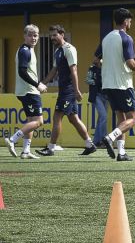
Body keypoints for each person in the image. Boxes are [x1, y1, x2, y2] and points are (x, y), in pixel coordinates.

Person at [35, 25, 96, 156]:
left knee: (57, 116)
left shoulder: (69, 49)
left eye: (54, 35)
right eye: (51, 35)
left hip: (68, 90)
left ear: (62, 34)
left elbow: (74, 71)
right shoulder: (58, 51)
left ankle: (51, 148)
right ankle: (90, 145)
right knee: (73, 119)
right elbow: (54, 71)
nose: (52, 38)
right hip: (64, 90)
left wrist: (76, 90)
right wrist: (41, 83)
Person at [95, 8, 135, 161]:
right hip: (122, 84)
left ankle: (121, 153)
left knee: (121, 118)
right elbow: (130, 62)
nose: (130, 23)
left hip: (108, 84)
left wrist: (109, 65)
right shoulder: (126, 38)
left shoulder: (106, 38)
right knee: (132, 119)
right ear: (126, 21)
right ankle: (110, 137)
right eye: (130, 21)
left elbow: (96, 60)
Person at [4, 24, 48, 159]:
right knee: (39, 121)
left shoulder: (28, 49)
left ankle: (26, 151)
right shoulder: (25, 51)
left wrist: (38, 83)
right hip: (29, 91)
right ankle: (12, 139)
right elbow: (22, 72)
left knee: (31, 121)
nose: (33, 38)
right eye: (30, 35)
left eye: (36, 35)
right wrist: (37, 85)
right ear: (24, 36)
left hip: (27, 91)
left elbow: (29, 72)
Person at [85, 60, 108, 147]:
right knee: (104, 116)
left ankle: (96, 141)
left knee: (101, 118)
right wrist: (96, 81)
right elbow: (87, 80)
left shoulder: (106, 67)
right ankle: (103, 140)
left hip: (106, 95)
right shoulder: (92, 69)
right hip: (96, 95)